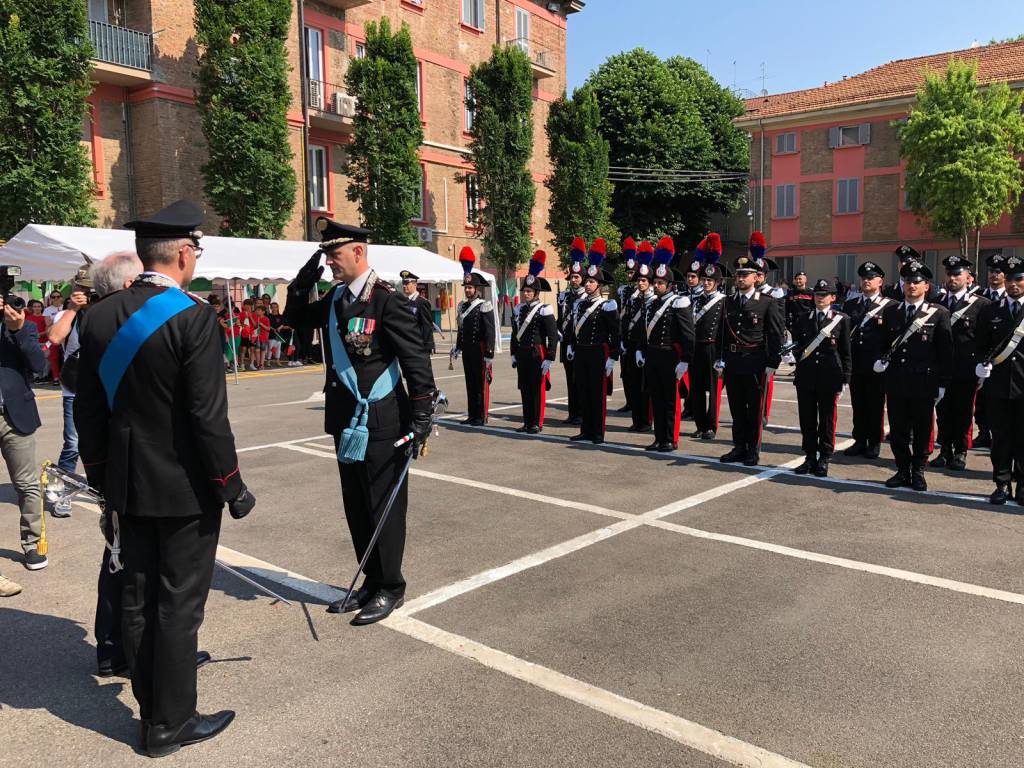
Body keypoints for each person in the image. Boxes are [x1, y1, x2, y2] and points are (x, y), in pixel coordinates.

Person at [75, 201, 254, 757]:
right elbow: (206, 417)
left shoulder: (98, 316)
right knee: (178, 604)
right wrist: (231, 484)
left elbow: (88, 410)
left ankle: (152, 711)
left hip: (127, 484)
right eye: (197, 248)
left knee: (137, 596)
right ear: (183, 253)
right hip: (183, 489)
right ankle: (170, 724)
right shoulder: (194, 316)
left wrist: (103, 477)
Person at [285, 217, 435, 623]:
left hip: (384, 420)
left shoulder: (387, 300)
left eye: (334, 255)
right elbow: (295, 320)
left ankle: (391, 586)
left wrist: (422, 412)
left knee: (383, 504)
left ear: (358, 252)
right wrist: (300, 283)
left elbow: (415, 359)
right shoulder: (334, 301)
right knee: (356, 504)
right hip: (345, 420)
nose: (330, 263)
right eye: (326, 256)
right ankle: (370, 579)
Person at [874, 258, 952, 492]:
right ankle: (902, 470)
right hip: (897, 380)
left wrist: (943, 383)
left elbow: (945, 351)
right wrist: (879, 359)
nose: (912, 286)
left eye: (917, 282)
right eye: (908, 282)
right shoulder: (892, 312)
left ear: (926, 286)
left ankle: (918, 470)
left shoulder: (938, 314)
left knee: (921, 429)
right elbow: (882, 342)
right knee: (898, 430)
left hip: (924, 381)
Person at [719, 250, 785, 467]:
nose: (740, 278)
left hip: (755, 361)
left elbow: (775, 334)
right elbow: (722, 333)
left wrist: (772, 363)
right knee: (737, 409)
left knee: (754, 410)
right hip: (733, 361)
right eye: (738, 275)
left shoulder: (767, 302)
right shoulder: (728, 301)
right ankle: (738, 447)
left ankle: (752, 450)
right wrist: (721, 358)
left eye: (745, 275)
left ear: (756, 277)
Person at [0, 291, 49, 571]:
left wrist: (16, 330)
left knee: (27, 484)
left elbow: (39, 366)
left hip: (14, 416)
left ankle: (31, 544)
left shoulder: (25, 327)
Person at [930, 256, 990, 471]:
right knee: (943, 411)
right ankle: (945, 450)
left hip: (966, 369)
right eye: (949, 274)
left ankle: (961, 452)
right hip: (941, 368)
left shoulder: (982, 305)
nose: (952, 278)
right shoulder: (936, 303)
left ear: (968, 277)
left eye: (957, 274)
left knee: (963, 412)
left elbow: (984, 338)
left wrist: (983, 367)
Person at [975, 255, 1024, 505]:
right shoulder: (991, 310)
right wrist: (981, 364)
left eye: (1019, 279)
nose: (1013, 284)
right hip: (998, 386)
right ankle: (1002, 484)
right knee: (1001, 439)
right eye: (1010, 279)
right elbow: (980, 345)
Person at [791, 279, 852, 477]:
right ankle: (809, 456)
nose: (820, 298)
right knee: (807, 419)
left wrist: (845, 378)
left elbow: (845, 351)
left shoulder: (841, 319)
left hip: (830, 376)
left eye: (824, 294)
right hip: (806, 376)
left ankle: (824, 457)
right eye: (817, 294)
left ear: (833, 298)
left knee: (826, 420)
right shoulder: (803, 318)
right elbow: (798, 346)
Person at [636, 243, 694, 452]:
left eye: (661, 282)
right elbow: (645, 331)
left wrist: (685, 361)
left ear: (669, 285)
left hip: (671, 357)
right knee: (656, 399)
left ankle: (670, 438)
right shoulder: (651, 304)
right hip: (653, 356)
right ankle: (658, 437)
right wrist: (640, 350)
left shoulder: (679, 303)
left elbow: (688, 335)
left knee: (670, 401)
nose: (656, 285)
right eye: (656, 282)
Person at [46, 268, 93, 516]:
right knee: (73, 443)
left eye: (89, 289)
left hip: (102, 386)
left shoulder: (106, 311)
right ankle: (62, 492)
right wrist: (73, 309)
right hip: (74, 386)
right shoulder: (66, 313)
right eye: (81, 288)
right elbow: (54, 338)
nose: (85, 293)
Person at [565, 239, 619, 444]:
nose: (587, 284)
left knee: (597, 395)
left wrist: (613, 357)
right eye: (586, 281)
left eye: (591, 282)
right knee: (583, 392)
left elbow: (616, 333)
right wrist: (570, 344)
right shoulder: (579, 304)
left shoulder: (607, 305)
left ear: (599, 285)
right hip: (582, 352)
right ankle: (585, 430)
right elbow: (573, 328)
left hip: (598, 353)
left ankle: (597, 432)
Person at [842, 261, 894, 459]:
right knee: (858, 404)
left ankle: (874, 442)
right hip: (856, 362)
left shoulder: (889, 306)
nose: (866, 281)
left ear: (880, 281)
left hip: (877, 364)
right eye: (864, 278)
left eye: (871, 278)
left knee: (875, 404)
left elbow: (892, 337)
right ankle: (860, 439)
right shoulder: (850, 304)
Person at [510, 251, 558, 434]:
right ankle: (527, 421)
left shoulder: (544, 310)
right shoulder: (518, 310)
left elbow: (553, 336)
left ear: (536, 292)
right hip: (523, 354)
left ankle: (537, 422)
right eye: (525, 291)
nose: (526, 294)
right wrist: (513, 353)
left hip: (538, 354)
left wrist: (550, 357)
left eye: (529, 291)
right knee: (525, 388)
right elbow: (516, 333)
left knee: (537, 390)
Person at [452, 247, 496, 426]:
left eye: (470, 287)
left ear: (477, 289)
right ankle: (471, 415)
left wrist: (489, 353)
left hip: (479, 349)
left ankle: (480, 416)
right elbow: (461, 329)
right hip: (468, 350)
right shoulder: (462, 306)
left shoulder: (484, 305)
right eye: (466, 287)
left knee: (480, 384)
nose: (467, 290)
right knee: (470, 383)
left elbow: (490, 331)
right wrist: (458, 346)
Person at [689, 261, 727, 440]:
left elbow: (725, 330)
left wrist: (722, 356)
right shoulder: (695, 300)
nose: (705, 283)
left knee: (713, 389)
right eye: (704, 279)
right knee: (696, 388)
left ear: (717, 282)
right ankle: (700, 424)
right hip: (697, 347)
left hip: (713, 348)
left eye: (710, 280)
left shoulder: (723, 302)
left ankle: (711, 426)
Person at [619, 238, 653, 433]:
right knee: (632, 383)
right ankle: (637, 419)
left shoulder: (653, 300)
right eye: (638, 280)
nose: (640, 283)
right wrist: (623, 340)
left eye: (643, 280)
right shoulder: (633, 299)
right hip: (631, 345)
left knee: (645, 386)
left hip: (647, 347)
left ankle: (646, 421)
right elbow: (625, 321)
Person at [974, 253, 1007, 448]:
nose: (994, 275)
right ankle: (984, 431)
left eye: (998, 272)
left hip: (1005, 359)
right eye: (991, 271)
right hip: (984, 357)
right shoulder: (979, 297)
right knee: (982, 400)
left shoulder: (1011, 297)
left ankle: (998, 434)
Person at [557, 237, 587, 426]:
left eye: (577, 277)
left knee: (581, 381)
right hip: (566, 342)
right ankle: (573, 413)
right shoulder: (564, 296)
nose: (574, 280)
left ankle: (582, 414)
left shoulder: (586, 298)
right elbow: (561, 319)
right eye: (572, 278)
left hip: (580, 344)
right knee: (570, 380)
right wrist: (558, 332)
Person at [400, 270, 436, 354]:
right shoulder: (403, 302)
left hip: (418, 346)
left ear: (415, 284)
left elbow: (427, 325)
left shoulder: (422, 302)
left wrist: (428, 346)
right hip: (406, 345)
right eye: (403, 283)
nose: (404, 286)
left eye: (407, 283)